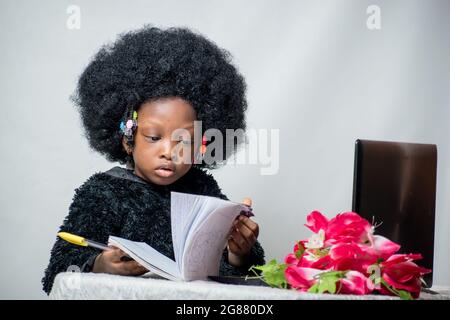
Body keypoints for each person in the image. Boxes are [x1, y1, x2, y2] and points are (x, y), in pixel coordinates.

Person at [42, 26, 265, 294]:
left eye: (183, 141)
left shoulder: (202, 189)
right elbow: (57, 274)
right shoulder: (103, 192)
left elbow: (235, 278)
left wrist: (239, 253)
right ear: (128, 138)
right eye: (153, 137)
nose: (169, 151)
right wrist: (101, 265)